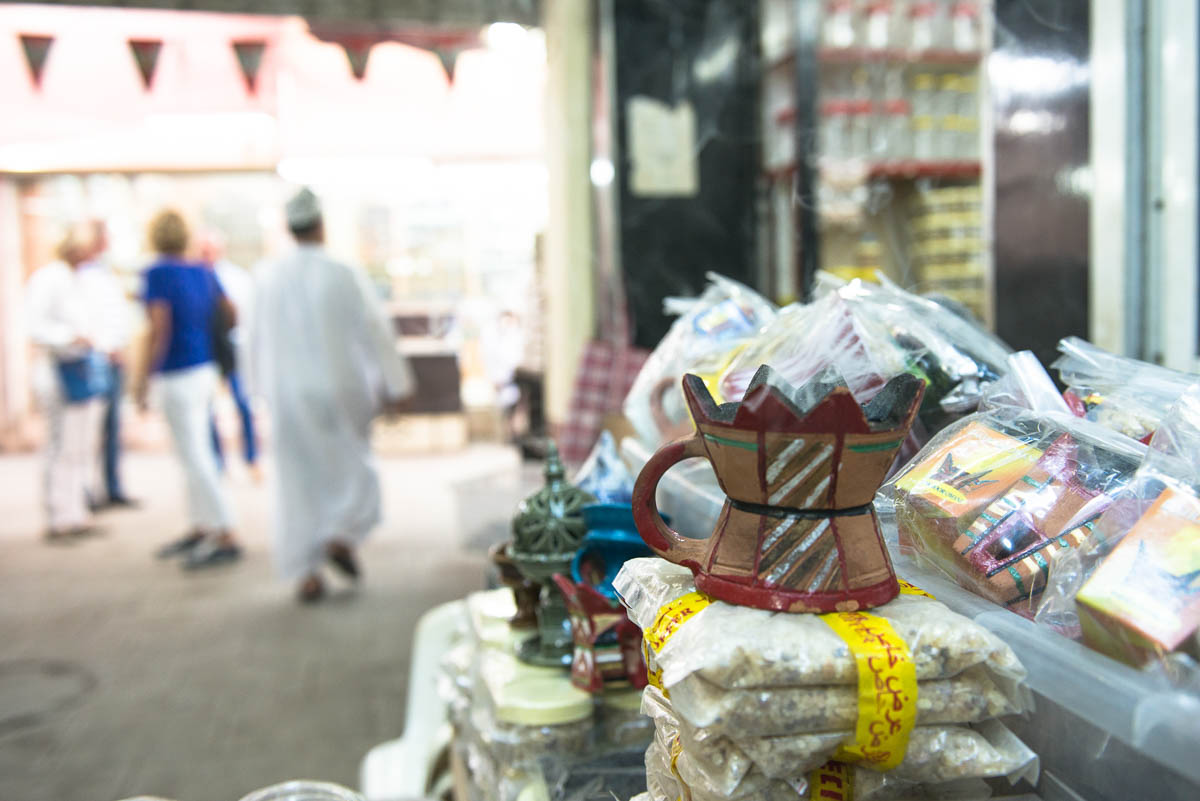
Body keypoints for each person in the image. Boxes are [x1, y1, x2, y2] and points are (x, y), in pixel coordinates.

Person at [251, 188, 414, 602]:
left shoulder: (266, 276)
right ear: (321, 226)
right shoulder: (341, 272)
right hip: (340, 389)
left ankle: (306, 571)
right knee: (351, 468)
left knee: (296, 479)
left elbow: (250, 342)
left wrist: (256, 392)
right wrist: (397, 385)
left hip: (286, 392)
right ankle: (340, 535)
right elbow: (375, 329)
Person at [133, 210, 242, 569]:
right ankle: (202, 526)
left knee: (194, 454)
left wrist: (143, 377)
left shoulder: (157, 273)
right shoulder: (203, 271)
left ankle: (224, 530)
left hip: (177, 370)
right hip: (203, 368)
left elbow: (158, 327)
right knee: (189, 452)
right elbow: (230, 313)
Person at [26, 224, 111, 540]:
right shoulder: (48, 278)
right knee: (60, 445)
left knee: (80, 445)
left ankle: (77, 511)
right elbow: (35, 326)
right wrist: (70, 337)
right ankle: (57, 514)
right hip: (57, 370)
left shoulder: (82, 280)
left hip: (83, 368)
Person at [80, 219, 139, 509]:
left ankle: (112, 487)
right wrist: (105, 347)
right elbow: (86, 319)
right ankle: (84, 491)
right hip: (95, 358)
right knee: (88, 428)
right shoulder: (79, 275)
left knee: (113, 427)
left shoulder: (106, 271)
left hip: (115, 356)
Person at [196, 230, 260, 482]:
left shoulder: (236, 278)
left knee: (243, 404)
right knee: (208, 409)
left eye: (209, 249)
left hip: (232, 348)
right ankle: (217, 464)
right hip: (206, 351)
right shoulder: (195, 277)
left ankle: (252, 459)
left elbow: (244, 316)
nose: (206, 254)